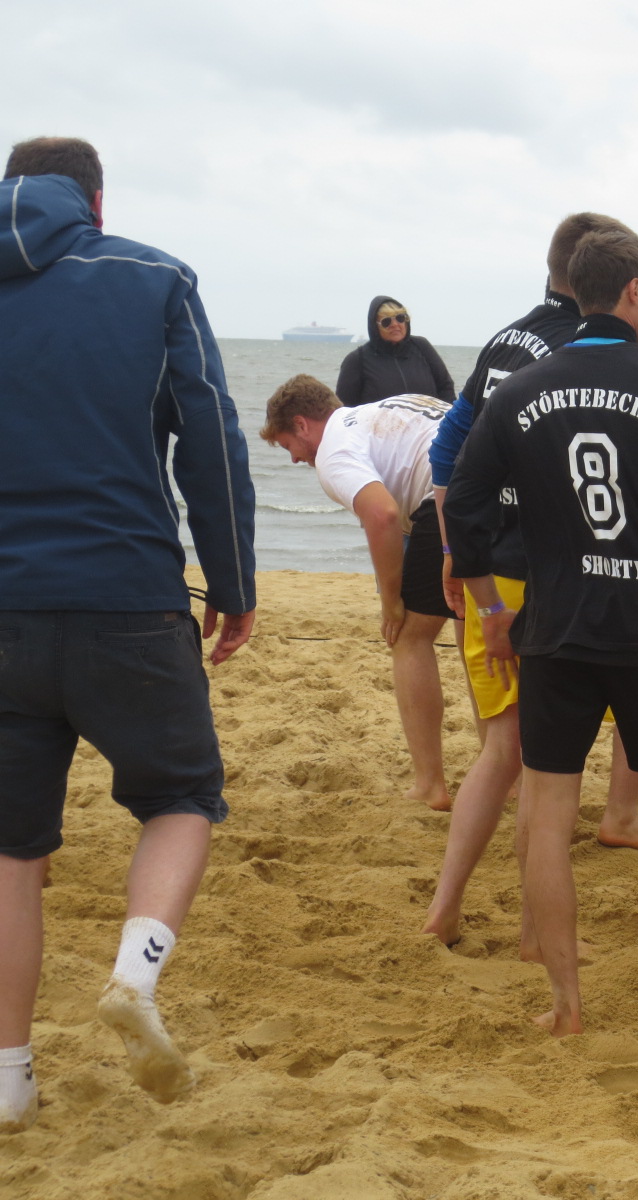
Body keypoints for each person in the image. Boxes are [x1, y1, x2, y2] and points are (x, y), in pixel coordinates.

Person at [0, 137, 256, 1132]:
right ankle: (135, 976)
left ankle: (9, 1079)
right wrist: (232, 583)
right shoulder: (154, 279)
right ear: (95, 205)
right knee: (182, 795)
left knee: (10, 851)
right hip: (127, 598)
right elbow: (211, 439)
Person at [445, 227, 638, 1037]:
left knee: (548, 811)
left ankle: (566, 1004)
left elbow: (464, 505)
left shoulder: (521, 390)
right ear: (634, 291)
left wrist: (491, 608)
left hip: (557, 630)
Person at [421, 213, 638, 955]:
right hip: (545, 573)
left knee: (502, 752)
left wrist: (454, 545)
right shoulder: (584, 350)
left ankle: (444, 909)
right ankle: (535, 932)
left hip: (489, 566)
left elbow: (448, 444)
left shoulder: (506, 339)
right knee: (542, 764)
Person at [260, 377, 455, 811]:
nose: (294, 459)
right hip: (505, 482)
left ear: (302, 424)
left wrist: (391, 603)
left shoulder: (334, 449)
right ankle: (508, 776)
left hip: (450, 491)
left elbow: (382, 515)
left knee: (409, 637)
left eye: (287, 445)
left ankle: (430, 784)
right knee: (476, 630)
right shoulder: (386, 408)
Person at [335, 295, 455, 407]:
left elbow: (445, 387)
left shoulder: (422, 347)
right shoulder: (357, 360)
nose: (395, 324)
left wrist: (446, 418)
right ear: (375, 326)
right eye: (386, 321)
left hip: (429, 422)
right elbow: (344, 409)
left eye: (400, 318)